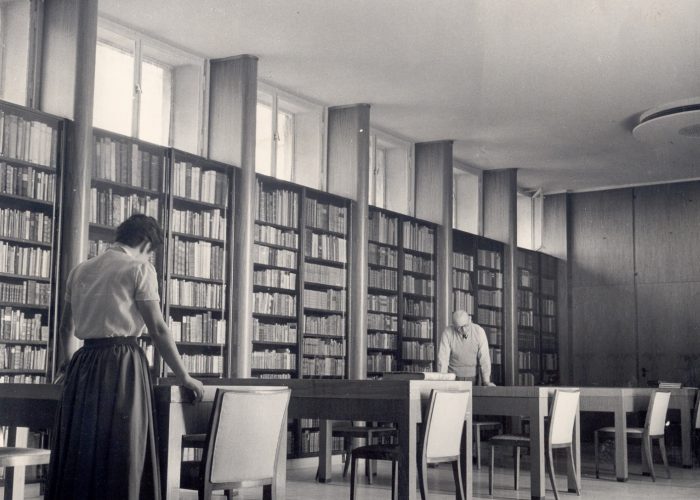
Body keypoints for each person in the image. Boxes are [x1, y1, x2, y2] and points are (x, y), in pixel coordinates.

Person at [47, 214, 204, 500]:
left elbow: (65, 328)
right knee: (125, 445)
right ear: (146, 243)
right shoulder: (140, 269)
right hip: (123, 363)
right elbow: (157, 328)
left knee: (86, 447)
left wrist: (69, 363)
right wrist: (184, 375)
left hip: (83, 363)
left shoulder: (80, 270)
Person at [437, 309, 496, 386]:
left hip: (474, 377)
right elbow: (443, 359)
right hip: (453, 377)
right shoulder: (447, 332)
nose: (463, 330)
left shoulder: (479, 331)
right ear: (454, 325)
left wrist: (486, 381)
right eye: (459, 327)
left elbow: (484, 358)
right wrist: (442, 381)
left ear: (470, 320)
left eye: (465, 326)